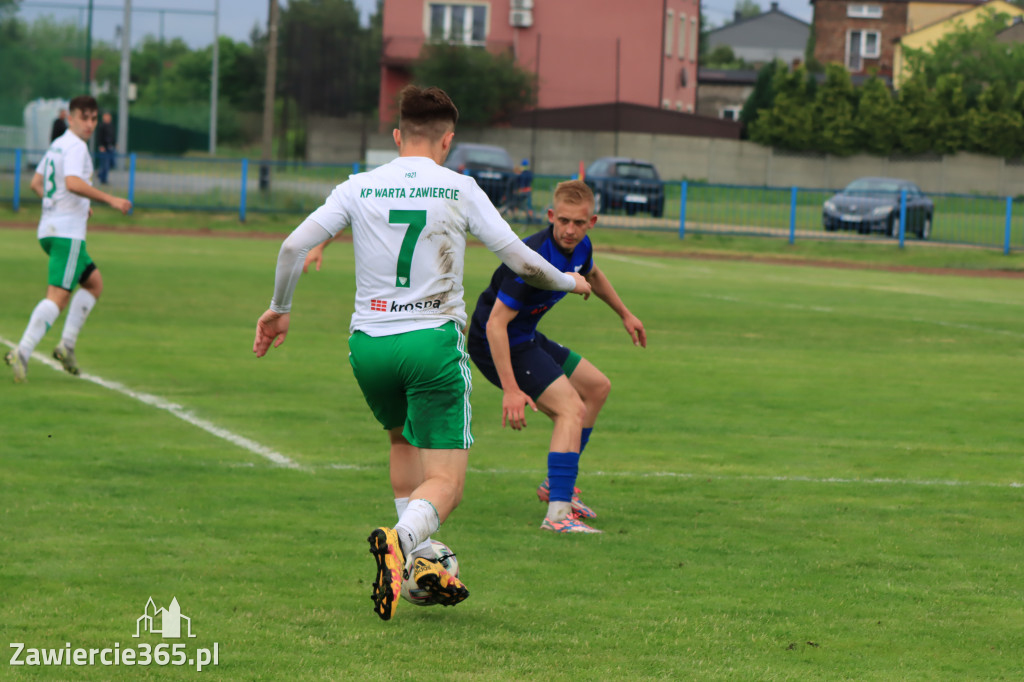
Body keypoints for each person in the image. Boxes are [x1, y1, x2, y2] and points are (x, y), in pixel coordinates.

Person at [251, 85, 591, 621]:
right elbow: (523, 261)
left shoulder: (359, 185)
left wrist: (279, 306)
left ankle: (416, 564)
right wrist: (570, 283)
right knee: (449, 485)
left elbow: (293, 245)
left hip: (368, 345)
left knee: (401, 439)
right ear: (448, 142)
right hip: (430, 341)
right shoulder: (459, 187)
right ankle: (401, 540)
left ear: (396, 136)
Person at [467, 180, 647, 534]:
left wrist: (625, 314)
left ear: (591, 222)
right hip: (496, 343)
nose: (569, 229)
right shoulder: (531, 259)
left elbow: (591, 273)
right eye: (563, 220)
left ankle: (556, 485)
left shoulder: (581, 247)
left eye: (579, 223)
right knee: (570, 409)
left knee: (596, 387)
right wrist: (510, 389)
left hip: (525, 336)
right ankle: (558, 514)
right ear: (551, 215)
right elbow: (495, 325)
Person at [5, 95, 132, 384]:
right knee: (58, 297)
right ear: (70, 117)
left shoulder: (57, 144)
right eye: (83, 117)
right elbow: (73, 183)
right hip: (66, 234)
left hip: (49, 230)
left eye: (94, 118)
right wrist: (110, 199)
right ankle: (22, 352)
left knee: (93, 283)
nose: (89, 124)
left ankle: (67, 346)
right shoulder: (76, 147)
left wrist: (56, 205)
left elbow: (36, 184)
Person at [510, 158, 534, 223]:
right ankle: (529, 217)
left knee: (518, 204)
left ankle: (516, 217)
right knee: (528, 205)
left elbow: (518, 181)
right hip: (527, 190)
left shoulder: (521, 174)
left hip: (522, 191)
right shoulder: (529, 173)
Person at [95, 112, 116, 185]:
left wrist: (114, 143)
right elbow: (99, 136)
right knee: (104, 164)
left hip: (110, 147)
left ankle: (100, 174)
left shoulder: (111, 126)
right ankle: (102, 179)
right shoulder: (101, 126)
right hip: (104, 148)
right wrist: (101, 145)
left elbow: (112, 136)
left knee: (111, 164)